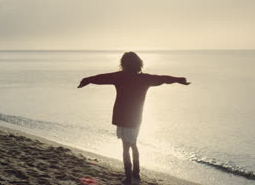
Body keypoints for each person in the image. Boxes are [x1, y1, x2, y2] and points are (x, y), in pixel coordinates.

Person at [77, 51, 190, 184]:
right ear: (139, 64)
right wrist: (179, 80)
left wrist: (86, 80)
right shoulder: (145, 78)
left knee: (126, 147)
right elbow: (163, 78)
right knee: (133, 145)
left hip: (122, 116)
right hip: (136, 117)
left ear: (123, 64)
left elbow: (101, 78)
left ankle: (129, 176)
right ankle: (135, 175)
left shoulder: (119, 76)